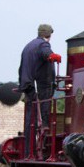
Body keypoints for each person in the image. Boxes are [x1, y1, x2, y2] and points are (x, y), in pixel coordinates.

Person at [18, 24, 61, 157]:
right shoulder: (43, 44)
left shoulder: (29, 45)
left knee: (30, 118)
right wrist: (52, 56)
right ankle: (46, 126)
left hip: (27, 83)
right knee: (42, 110)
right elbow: (46, 53)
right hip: (38, 84)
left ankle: (27, 151)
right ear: (49, 35)